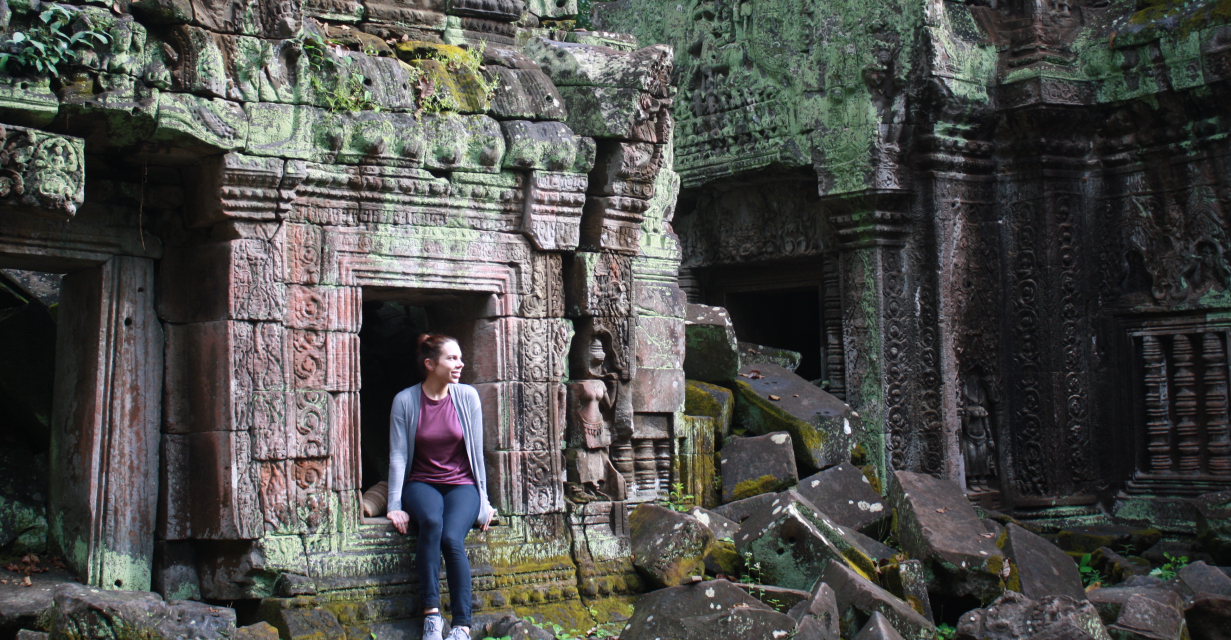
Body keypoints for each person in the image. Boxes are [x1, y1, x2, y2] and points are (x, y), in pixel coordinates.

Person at [386, 334, 495, 640]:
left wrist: (483, 500)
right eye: (452, 358)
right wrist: (394, 505)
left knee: (451, 538)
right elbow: (398, 455)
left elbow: (477, 452)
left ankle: (461, 626)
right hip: (421, 483)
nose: (460, 364)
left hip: (462, 485)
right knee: (432, 523)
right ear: (430, 364)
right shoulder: (405, 401)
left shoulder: (467, 397)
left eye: (460, 358)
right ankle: (432, 617)